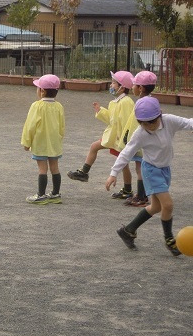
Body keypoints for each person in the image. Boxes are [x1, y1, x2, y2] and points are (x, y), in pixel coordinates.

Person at [106, 96, 193, 256]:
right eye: (144, 123)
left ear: (159, 115)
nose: (149, 127)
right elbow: (126, 153)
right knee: (168, 205)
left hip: (165, 169)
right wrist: (113, 173)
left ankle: (128, 230)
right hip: (151, 171)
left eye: (152, 122)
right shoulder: (140, 133)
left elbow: (188, 123)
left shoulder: (169, 121)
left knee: (156, 207)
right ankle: (169, 240)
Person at [67, 71, 135, 193]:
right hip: (114, 137)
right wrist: (100, 111)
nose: (111, 85)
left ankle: (127, 189)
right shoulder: (115, 102)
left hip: (119, 139)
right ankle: (84, 172)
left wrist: (123, 139)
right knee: (95, 147)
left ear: (122, 87)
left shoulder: (126, 102)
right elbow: (111, 119)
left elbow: (126, 122)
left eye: (114, 83)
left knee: (123, 164)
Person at [20, 74, 65, 204]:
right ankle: (56, 194)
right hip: (54, 142)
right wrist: (59, 139)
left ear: (42, 91)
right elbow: (62, 126)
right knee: (55, 168)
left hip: (41, 142)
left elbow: (30, 125)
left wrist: (26, 142)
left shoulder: (37, 106)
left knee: (42, 169)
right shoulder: (59, 106)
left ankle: (41, 195)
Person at [119, 70, 157, 207]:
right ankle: (142, 194)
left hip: (141, 144)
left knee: (140, 169)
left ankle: (142, 196)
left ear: (140, 88)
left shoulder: (142, 104)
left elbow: (135, 125)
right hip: (144, 142)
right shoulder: (149, 102)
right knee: (140, 168)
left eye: (134, 85)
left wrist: (127, 139)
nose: (132, 87)